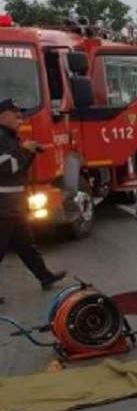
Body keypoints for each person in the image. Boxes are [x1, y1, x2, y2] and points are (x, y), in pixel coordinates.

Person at [0, 98, 65, 302]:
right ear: (2, 116)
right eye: (15, 114)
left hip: (13, 204)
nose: (20, 118)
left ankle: (45, 277)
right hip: (3, 206)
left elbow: (19, 168)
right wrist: (24, 150)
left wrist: (30, 152)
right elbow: (6, 167)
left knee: (25, 244)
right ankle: (44, 276)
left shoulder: (9, 137)